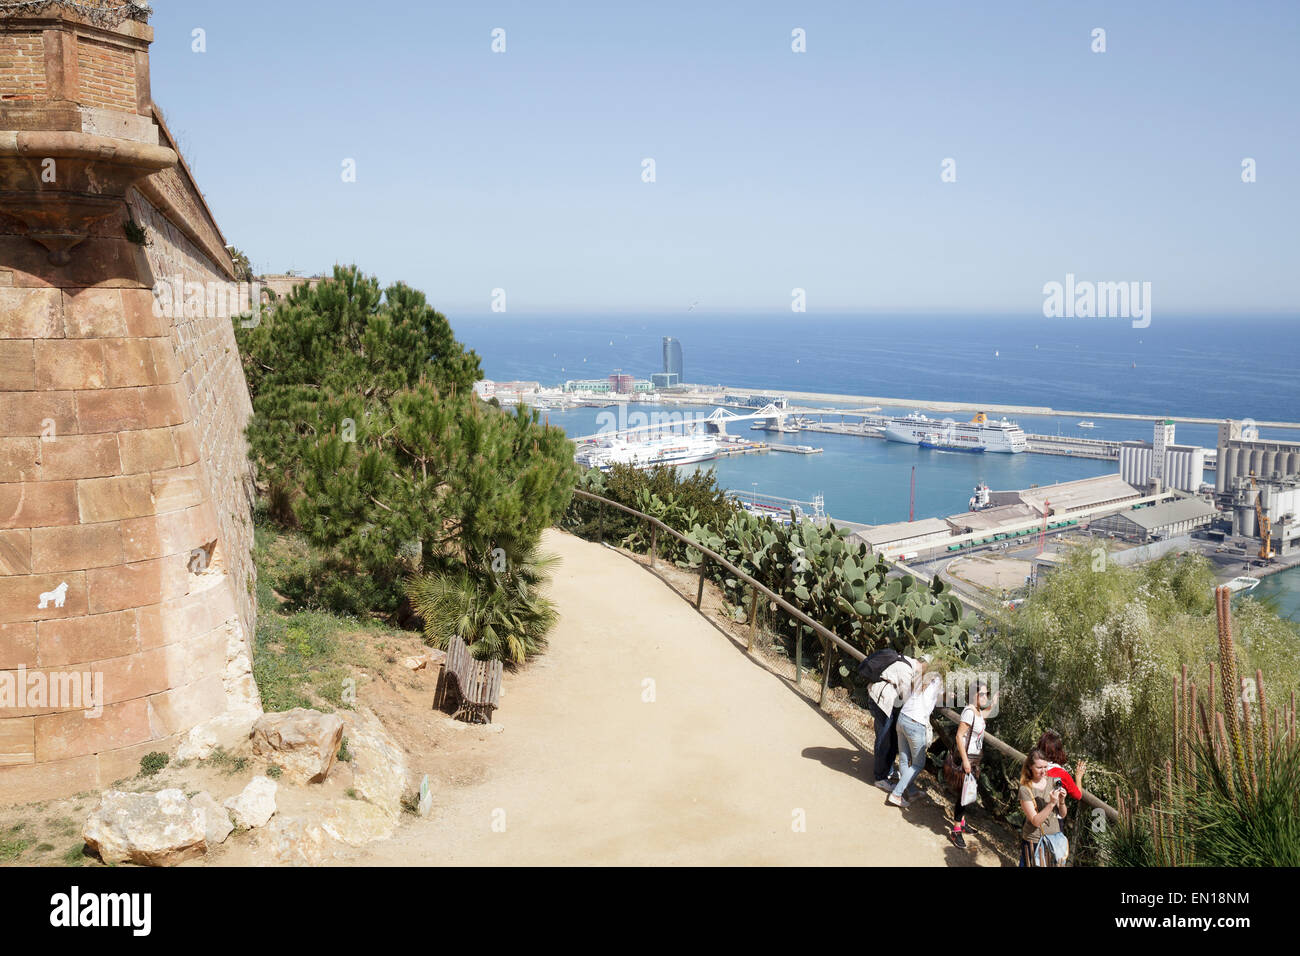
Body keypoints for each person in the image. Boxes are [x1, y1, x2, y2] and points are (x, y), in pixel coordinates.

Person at [888, 655, 944, 809]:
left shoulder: (920, 676)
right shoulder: (939, 680)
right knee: (919, 763)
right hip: (916, 723)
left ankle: (911, 792)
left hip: (903, 718)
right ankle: (896, 794)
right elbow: (941, 699)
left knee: (905, 760)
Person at [948, 682, 998, 849]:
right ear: (973, 695)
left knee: (967, 793)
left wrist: (993, 703)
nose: (985, 697)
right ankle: (956, 830)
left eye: (986, 694)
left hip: (975, 758)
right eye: (982, 694)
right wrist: (965, 760)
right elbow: (959, 736)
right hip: (968, 758)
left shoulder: (976, 712)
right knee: (964, 795)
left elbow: (983, 715)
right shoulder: (969, 712)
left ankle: (961, 822)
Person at [865, 653, 920, 792]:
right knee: (883, 739)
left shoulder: (905, 661)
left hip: (888, 702)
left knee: (890, 738)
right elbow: (907, 696)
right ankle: (880, 778)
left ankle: (887, 771)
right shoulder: (906, 670)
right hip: (883, 701)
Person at [1018, 748, 1068, 866]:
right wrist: (1051, 804)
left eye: (1045, 767)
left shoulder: (1053, 781)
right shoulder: (1025, 789)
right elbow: (1035, 821)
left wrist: (1061, 801)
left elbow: (1062, 814)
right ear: (1030, 766)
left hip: (1054, 839)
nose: (1043, 771)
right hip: (1034, 840)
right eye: (1039, 768)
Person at [1035, 729, 1087, 801]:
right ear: (1059, 751)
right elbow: (1077, 795)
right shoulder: (1060, 774)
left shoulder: (1032, 766)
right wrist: (1078, 776)